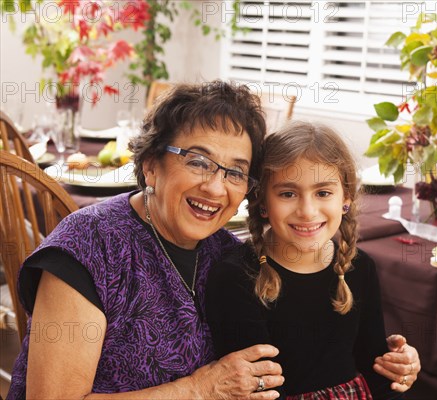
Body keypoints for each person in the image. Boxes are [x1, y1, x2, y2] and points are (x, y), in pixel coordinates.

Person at [8, 81, 284, 398]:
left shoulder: (230, 256)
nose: (215, 188)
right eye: (197, 162)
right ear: (151, 166)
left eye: (235, 172)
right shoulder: (88, 248)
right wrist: (198, 390)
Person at [206, 121, 420, 399]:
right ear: (261, 202)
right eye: (287, 193)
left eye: (323, 193)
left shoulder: (359, 267)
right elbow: (259, 388)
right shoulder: (236, 277)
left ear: (346, 198)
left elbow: (376, 368)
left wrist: (400, 368)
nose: (307, 211)